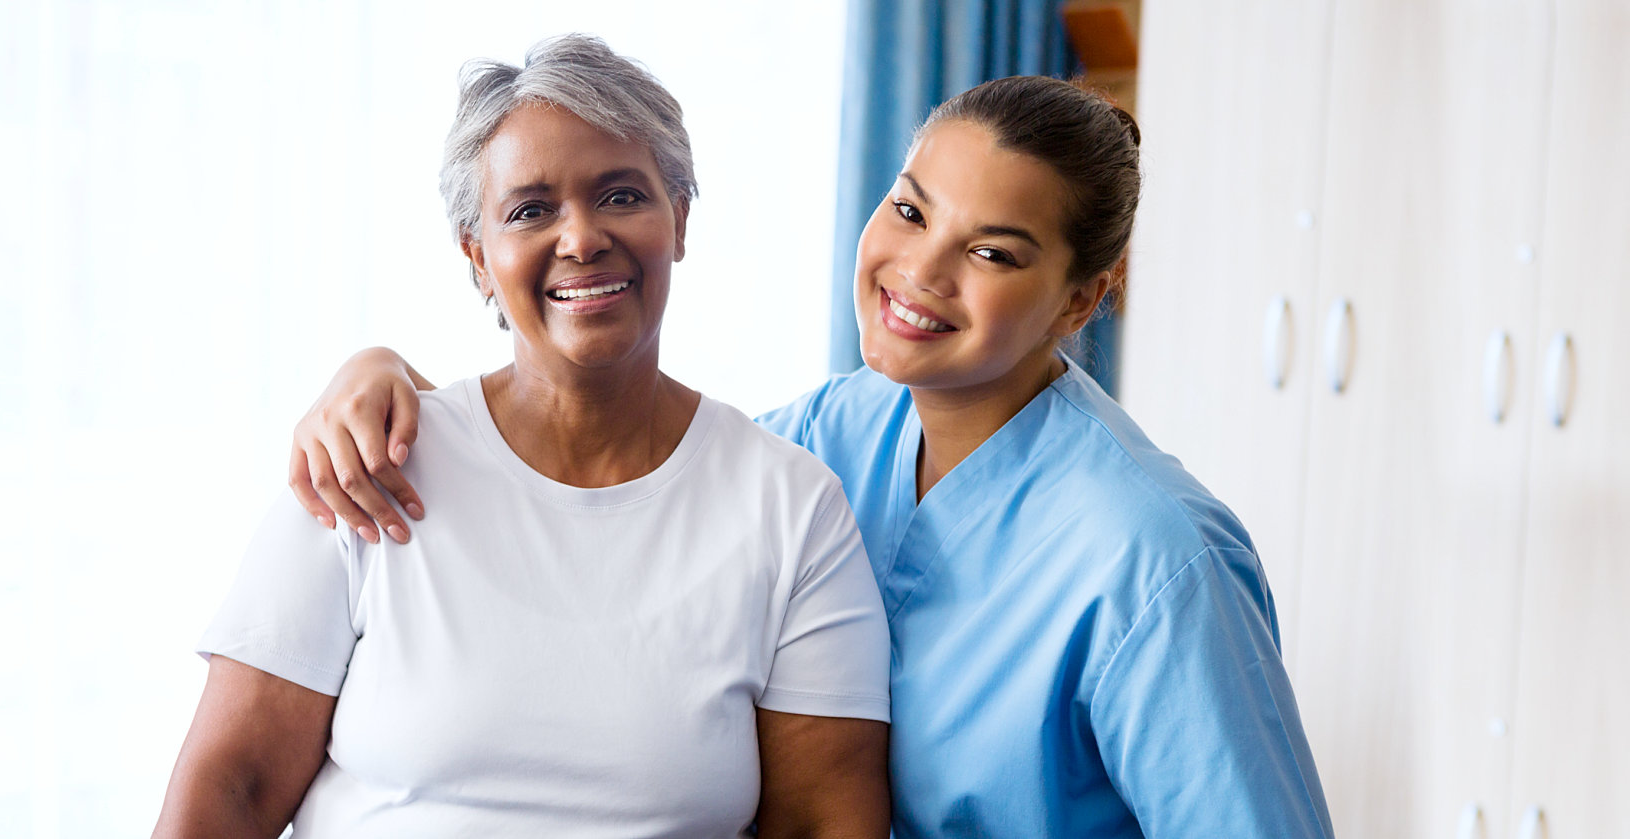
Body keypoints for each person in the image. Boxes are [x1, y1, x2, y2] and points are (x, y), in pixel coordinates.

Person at [289, 76, 1336, 838]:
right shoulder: (835, 435)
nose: (918, 271)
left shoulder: (1154, 560)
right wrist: (389, 380)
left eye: (992, 251)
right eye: (912, 208)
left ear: (1080, 297)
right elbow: (613, 457)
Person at [155, 35, 891, 838]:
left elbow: (826, 820)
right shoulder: (365, 465)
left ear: (678, 218)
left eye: (620, 196)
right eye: (530, 210)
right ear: (479, 257)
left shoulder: (790, 506)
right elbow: (233, 785)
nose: (580, 239)